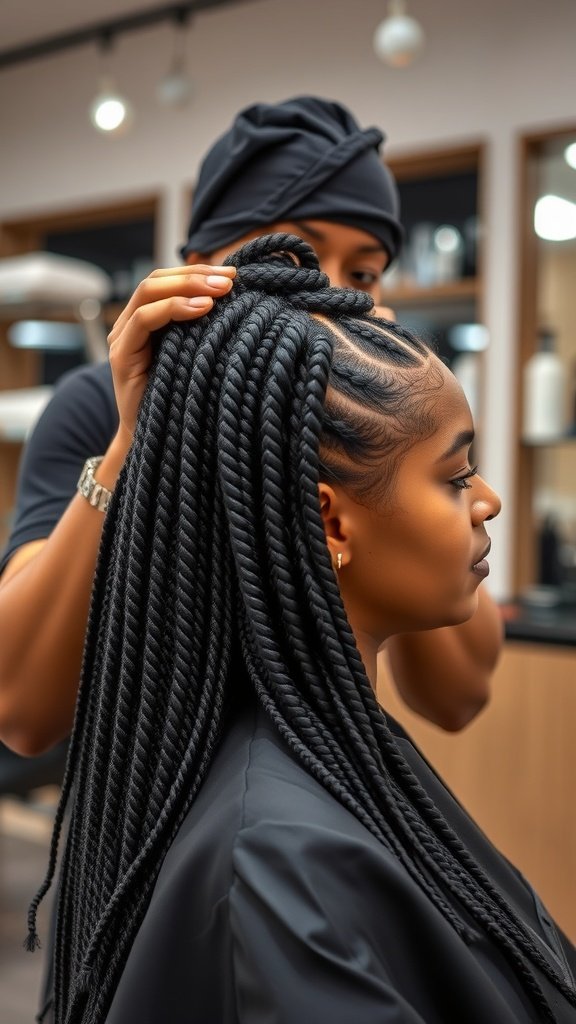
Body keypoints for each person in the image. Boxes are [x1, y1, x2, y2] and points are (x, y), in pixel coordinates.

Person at [27, 234, 575, 1024]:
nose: (487, 499)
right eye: (456, 476)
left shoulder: (333, 753)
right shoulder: (276, 869)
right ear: (329, 522)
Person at [0, 96, 502, 759]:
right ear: (201, 262)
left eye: (364, 274)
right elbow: (21, 709)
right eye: (294, 257)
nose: (327, 289)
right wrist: (131, 441)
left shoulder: (370, 423)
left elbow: (457, 696)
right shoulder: (97, 406)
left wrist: (396, 437)